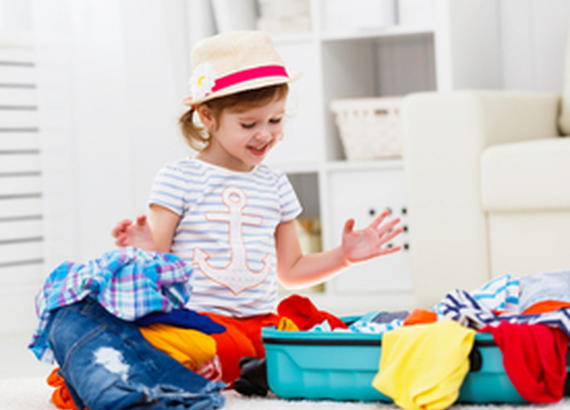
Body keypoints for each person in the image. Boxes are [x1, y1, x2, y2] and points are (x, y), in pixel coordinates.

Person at [112, 31, 403, 384]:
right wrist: (144, 249)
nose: (265, 134)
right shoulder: (179, 178)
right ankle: (242, 368)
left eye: (276, 120)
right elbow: (159, 262)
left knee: (319, 328)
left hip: (259, 322)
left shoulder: (275, 185)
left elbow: (292, 270)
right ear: (206, 116)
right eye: (248, 124)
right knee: (193, 348)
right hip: (201, 321)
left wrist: (344, 256)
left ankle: (258, 365)